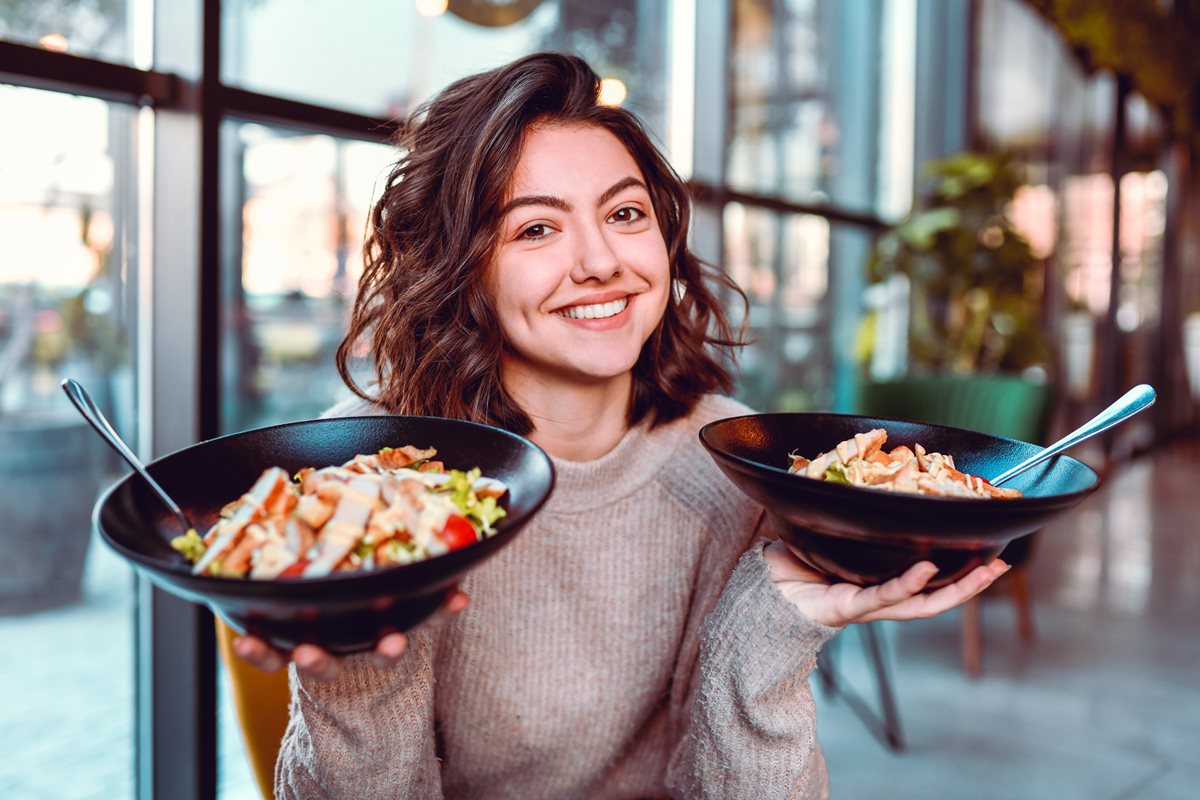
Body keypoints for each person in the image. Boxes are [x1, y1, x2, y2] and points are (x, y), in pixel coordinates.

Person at [234, 52, 1008, 799]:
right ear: (460, 264)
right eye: (536, 229)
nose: (601, 261)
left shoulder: (735, 460)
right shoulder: (365, 470)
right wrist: (361, 664)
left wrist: (772, 634)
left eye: (626, 213)